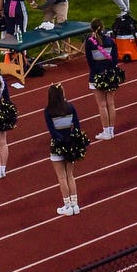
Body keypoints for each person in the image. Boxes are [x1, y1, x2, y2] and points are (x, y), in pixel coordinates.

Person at [42, 84, 89, 216]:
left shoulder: (48, 111)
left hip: (58, 145)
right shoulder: (70, 107)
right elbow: (78, 127)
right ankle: (75, 205)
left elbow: (52, 131)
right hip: (71, 144)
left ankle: (67, 206)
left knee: (62, 177)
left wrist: (62, 140)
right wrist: (71, 139)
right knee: (70, 176)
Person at [83, 20, 123, 139]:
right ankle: (111, 130)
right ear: (103, 27)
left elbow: (90, 62)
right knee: (111, 103)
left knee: (102, 105)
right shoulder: (110, 41)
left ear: (92, 29)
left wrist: (98, 72)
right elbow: (115, 60)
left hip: (96, 75)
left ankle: (106, 131)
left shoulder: (89, 43)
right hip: (110, 75)